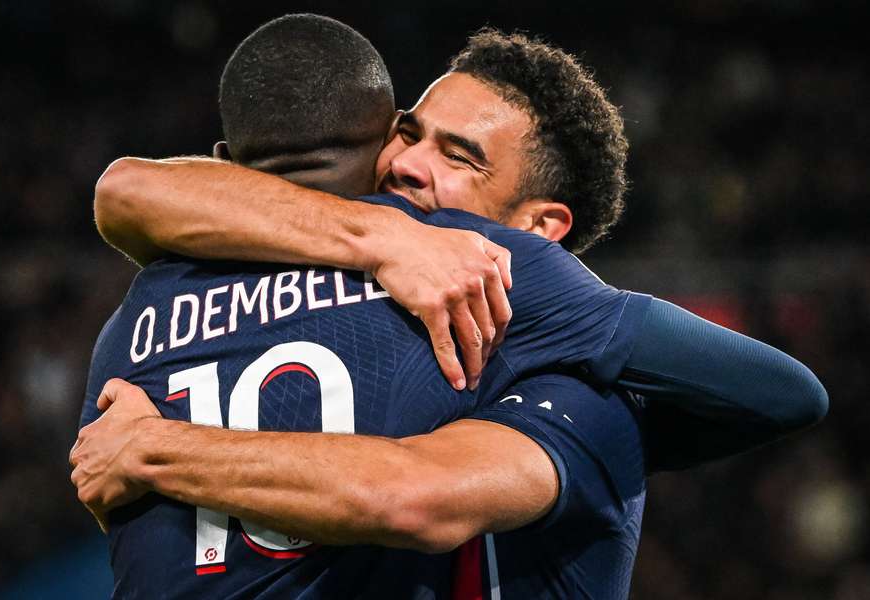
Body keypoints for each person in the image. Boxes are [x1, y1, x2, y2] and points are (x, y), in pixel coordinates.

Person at [71, 17, 826, 598]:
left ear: (542, 231)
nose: (406, 164)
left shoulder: (145, 309)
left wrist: (154, 448)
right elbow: (125, 190)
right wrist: (380, 236)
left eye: (458, 157)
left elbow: (408, 495)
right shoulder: (372, 263)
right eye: (408, 132)